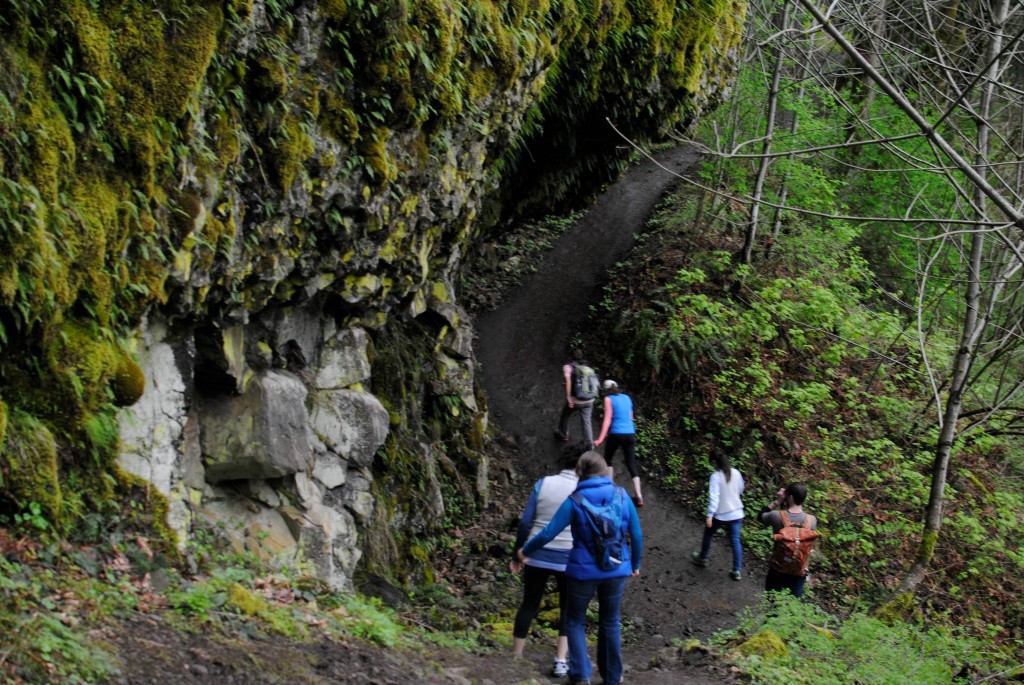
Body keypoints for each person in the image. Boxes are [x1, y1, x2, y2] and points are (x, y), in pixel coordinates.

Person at [518, 452, 642, 685]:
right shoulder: (622, 495)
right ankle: (612, 677)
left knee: (575, 620)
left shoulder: (575, 500)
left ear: (580, 472)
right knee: (610, 621)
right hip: (616, 569)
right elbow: (635, 533)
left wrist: (525, 551)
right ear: (605, 470)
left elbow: (547, 533)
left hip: (582, 571)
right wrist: (634, 564)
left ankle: (581, 673)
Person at [509, 441, 587, 677]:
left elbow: (525, 523)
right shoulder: (583, 490)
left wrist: (518, 553)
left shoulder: (543, 483)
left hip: (536, 554)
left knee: (529, 604)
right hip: (568, 557)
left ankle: (516, 656)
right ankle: (560, 660)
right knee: (568, 609)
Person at [690, 448, 745, 580]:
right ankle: (736, 570)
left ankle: (703, 557)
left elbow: (714, 497)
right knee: (735, 541)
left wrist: (710, 514)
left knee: (708, 533)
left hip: (722, 514)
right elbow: (741, 489)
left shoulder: (715, 477)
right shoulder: (736, 473)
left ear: (714, 462)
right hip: (737, 512)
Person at [758, 482, 818, 598]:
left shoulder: (776, 516)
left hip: (778, 570)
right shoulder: (812, 520)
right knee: (792, 607)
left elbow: (760, 516)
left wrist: (777, 501)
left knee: (772, 603)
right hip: (799, 571)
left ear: (789, 497)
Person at [593, 380, 644, 507]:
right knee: (631, 464)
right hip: (630, 433)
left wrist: (600, 438)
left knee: (608, 459)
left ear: (606, 390)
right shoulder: (627, 398)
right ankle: (639, 496)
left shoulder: (608, 399)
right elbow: (631, 417)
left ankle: (610, 490)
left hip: (616, 433)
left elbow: (607, 420)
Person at [554, 349, 597, 447]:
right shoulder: (588, 368)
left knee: (565, 414)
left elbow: (568, 381)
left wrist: (568, 396)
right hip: (590, 400)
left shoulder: (568, 367)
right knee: (587, 422)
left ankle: (563, 434)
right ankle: (589, 444)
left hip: (576, 400)